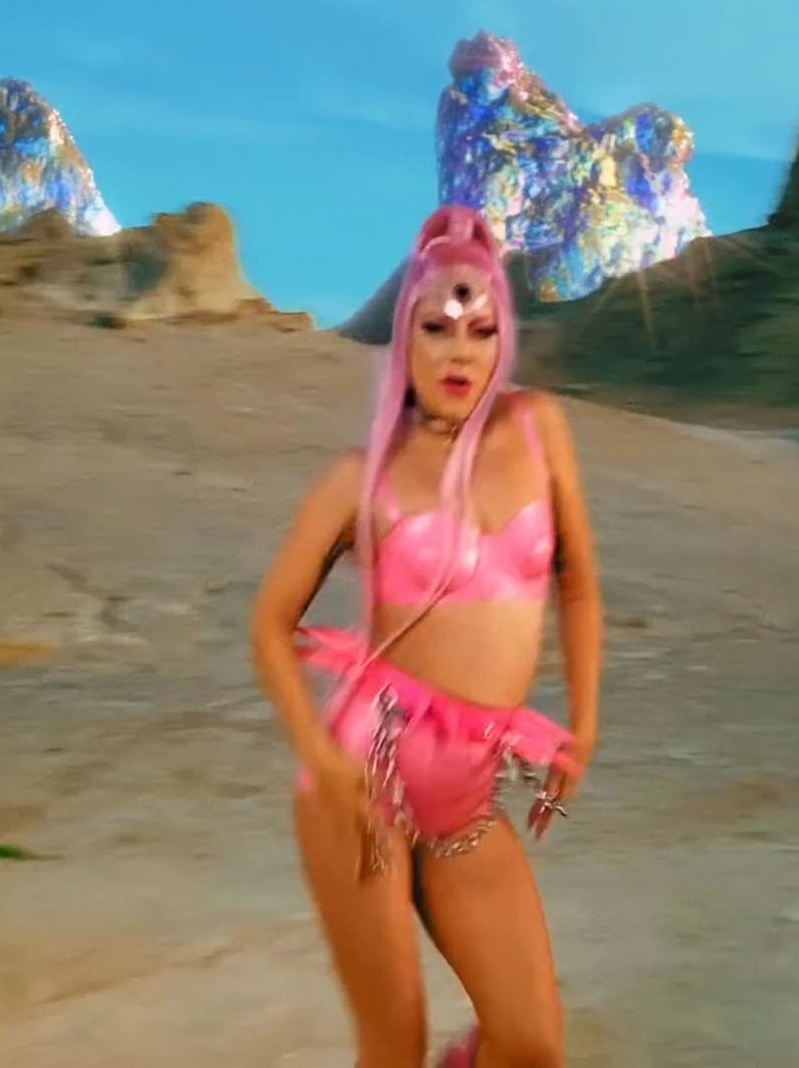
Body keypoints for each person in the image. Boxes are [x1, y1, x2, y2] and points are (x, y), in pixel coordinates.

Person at [250, 204, 603, 1068]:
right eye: (436, 328)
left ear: (503, 339)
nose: (459, 353)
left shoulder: (537, 428)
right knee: (393, 1046)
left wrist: (584, 726)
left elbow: (578, 583)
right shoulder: (356, 480)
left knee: (531, 1045)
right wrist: (319, 757)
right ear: (402, 337)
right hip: (361, 783)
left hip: (467, 794)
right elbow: (269, 622)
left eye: (480, 331)